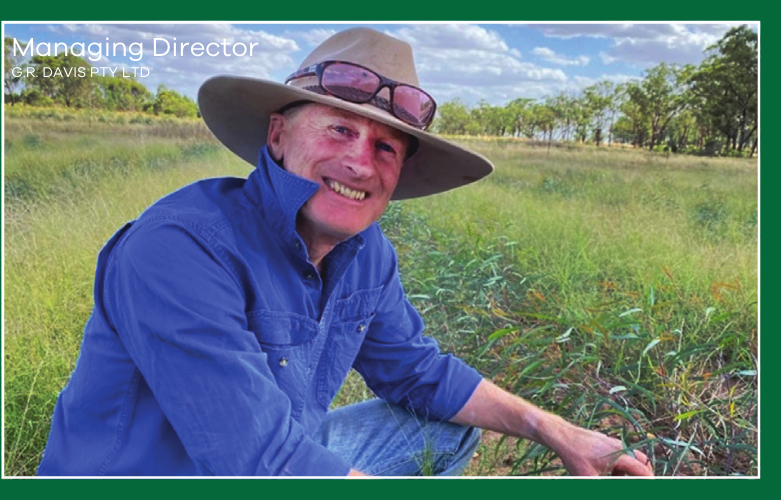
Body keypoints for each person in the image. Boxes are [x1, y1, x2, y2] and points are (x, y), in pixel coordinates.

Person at [36, 27, 653, 477]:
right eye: (339, 128)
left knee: (445, 428)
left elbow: (418, 371)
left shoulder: (365, 251)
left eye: (387, 148)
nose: (361, 161)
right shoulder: (180, 247)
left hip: (284, 449)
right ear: (277, 133)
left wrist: (559, 431)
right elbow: (259, 462)